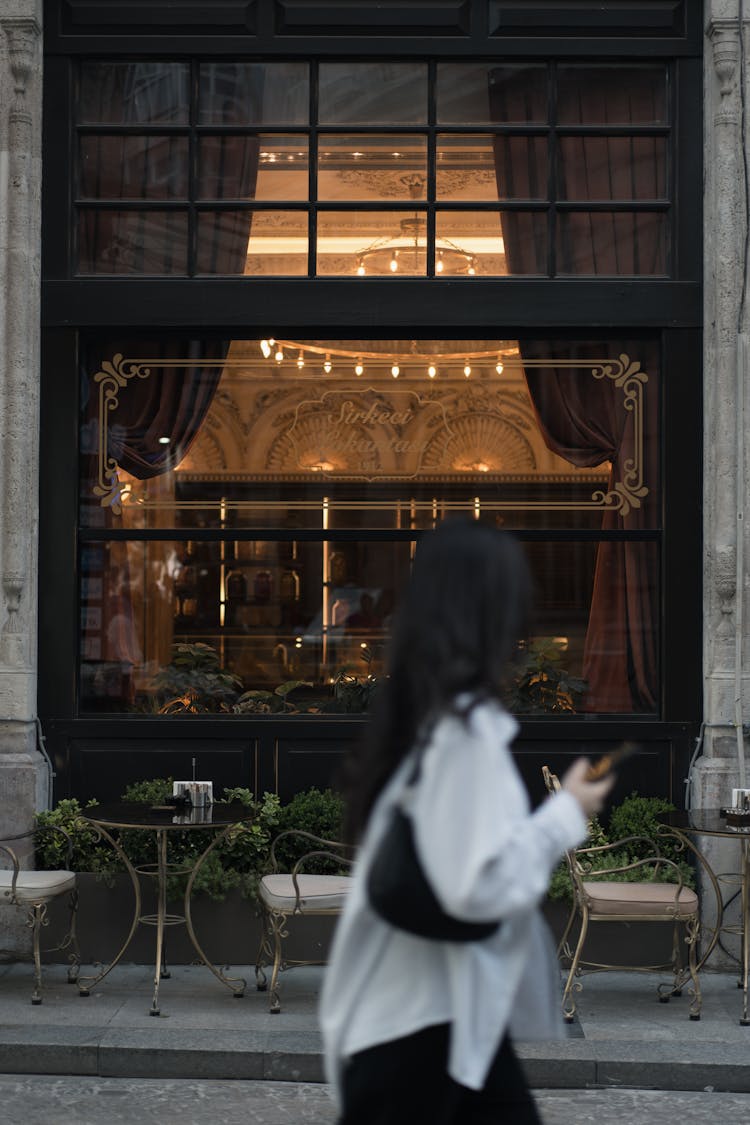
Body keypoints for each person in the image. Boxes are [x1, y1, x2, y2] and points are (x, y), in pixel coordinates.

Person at [319, 519, 614, 1124]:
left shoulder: (420, 720)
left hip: (428, 1021)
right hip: (423, 1033)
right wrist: (566, 813)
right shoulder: (464, 731)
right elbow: (474, 888)